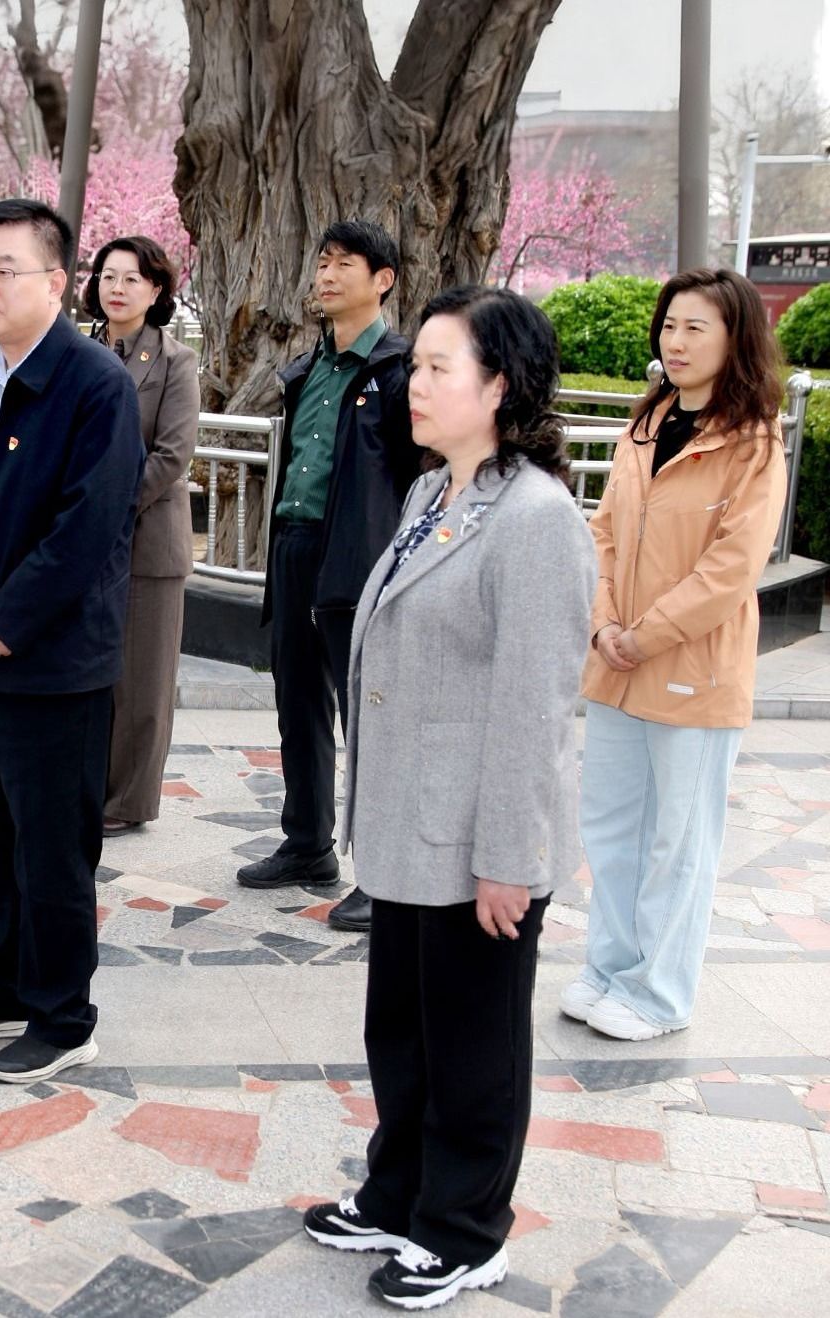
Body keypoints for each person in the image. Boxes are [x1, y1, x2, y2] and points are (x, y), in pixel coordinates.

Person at [301, 286, 592, 1310]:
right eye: (414, 365)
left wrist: (511, 857)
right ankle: (399, 1192)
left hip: (477, 840)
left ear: (498, 386)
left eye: (436, 367)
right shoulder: (434, 490)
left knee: (473, 1045)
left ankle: (465, 1230)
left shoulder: (537, 519)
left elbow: (535, 707)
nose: (412, 385)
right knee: (403, 1029)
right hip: (408, 823)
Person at [0, 199, 143, 1083]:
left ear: (56, 281)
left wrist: (6, 620)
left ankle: (63, 1014)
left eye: (3, 271)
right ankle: (6, 985)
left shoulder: (95, 384)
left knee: (52, 846)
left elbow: (88, 527)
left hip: (55, 661)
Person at [572, 268, 788, 1041]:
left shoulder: (753, 441)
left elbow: (732, 568)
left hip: (694, 670)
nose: (678, 340)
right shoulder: (649, 420)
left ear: (736, 339)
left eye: (697, 327)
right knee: (611, 831)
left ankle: (659, 995)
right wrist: (603, 624)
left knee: (680, 843)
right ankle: (609, 970)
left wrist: (646, 633)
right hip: (616, 663)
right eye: (670, 325)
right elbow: (603, 531)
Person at [238, 220, 418, 934]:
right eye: (322, 262)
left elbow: (413, 476)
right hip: (295, 546)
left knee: (365, 714)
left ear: (383, 280)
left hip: (357, 557)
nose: (327, 274)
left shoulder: (398, 372)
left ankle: (383, 872)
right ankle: (308, 843)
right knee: (298, 703)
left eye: (345, 263)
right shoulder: (308, 367)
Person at [84, 236, 201, 837]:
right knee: (90, 671)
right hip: (82, 537)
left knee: (143, 681)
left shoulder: (175, 361)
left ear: (155, 290)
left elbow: (173, 454)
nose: (117, 288)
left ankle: (128, 801)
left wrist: (108, 506)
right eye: (108, 276)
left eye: (132, 278)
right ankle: (86, 784)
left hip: (147, 538)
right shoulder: (81, 351)